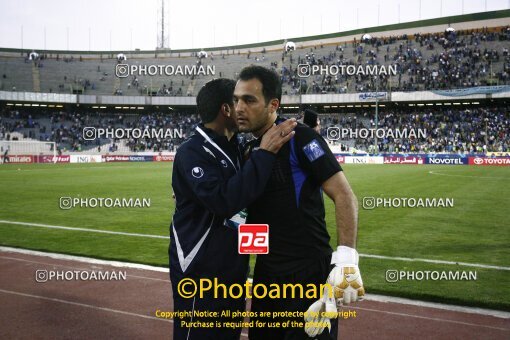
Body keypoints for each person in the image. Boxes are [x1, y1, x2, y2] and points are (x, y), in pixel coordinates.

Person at [233, 66, 364, 340]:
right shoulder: (248, 150)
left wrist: (346, 262)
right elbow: (254, 215)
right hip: (267, 276)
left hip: (307, 274)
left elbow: (344, 195)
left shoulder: (300, 138)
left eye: (249, 100)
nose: (239, 108)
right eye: (235, 100)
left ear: (273, 105)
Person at [169, 78, 296, 340]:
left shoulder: (237, 147)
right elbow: (223, 201)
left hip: (232, 268)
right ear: (227, 109)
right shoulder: (192, 151)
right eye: (238, 101)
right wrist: (264, 154)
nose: (242, 108)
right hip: (200, 270)